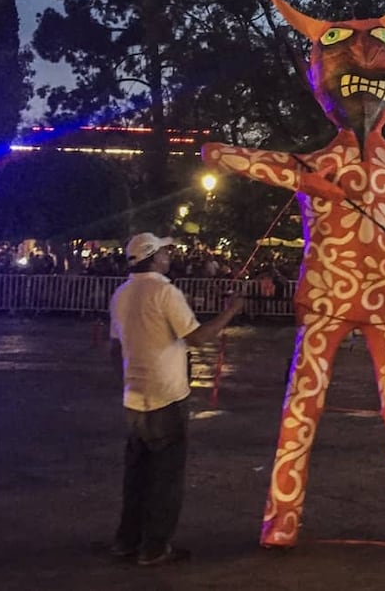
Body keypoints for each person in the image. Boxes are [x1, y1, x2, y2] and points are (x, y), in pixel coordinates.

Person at [108, 233, 244, 566]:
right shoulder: (165, 292)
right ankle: (155, 547)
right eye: (165, 251)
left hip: (134, 398)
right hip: (166, 396)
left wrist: (129, 376)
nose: (170, 255)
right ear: (154, 257)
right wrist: (230, 313)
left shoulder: (122, 293)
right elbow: (197, 337)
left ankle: (127, 539)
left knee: (136, 474)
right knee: (166, 477)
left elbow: (114, 348)